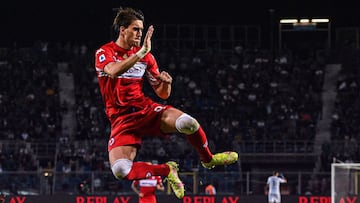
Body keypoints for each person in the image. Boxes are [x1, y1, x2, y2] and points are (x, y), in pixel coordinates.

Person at [94, 7, 238, 199]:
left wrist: (166, 84)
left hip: (145, 110)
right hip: (121, 120)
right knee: (120, 170)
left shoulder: (146, 56)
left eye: (141, 29)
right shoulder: (106, 52)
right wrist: (140, 53)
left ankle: (208, 159)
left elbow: (162, 94)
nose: (140, 34)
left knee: (189, 123)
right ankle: (167, 170)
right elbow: (113, 71)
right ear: (122, 30)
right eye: (135, 29)